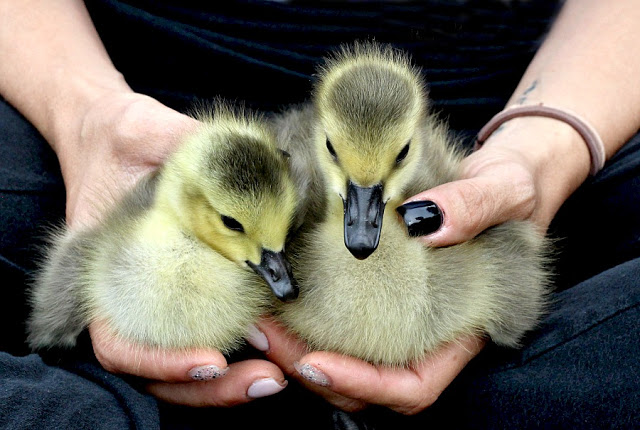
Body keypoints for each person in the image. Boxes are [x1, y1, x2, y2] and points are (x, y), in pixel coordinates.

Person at [1, 0, 638, 429]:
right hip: (112, 101)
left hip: (522, 119)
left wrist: (542, 149)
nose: (361, 224)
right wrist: (84, 114)